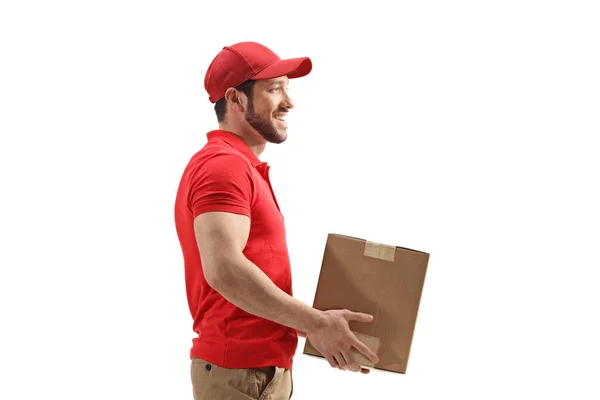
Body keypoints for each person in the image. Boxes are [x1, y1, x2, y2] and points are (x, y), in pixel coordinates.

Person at [174, 41, 379, 400]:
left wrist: (321, 326)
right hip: (240, 373)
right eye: (274, 89)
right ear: (236, 100)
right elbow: (224, 270)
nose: (289, 101)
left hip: (257, 372)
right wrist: (316, 323)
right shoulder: (223, 166)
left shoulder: (243, 167)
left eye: (287, 87)